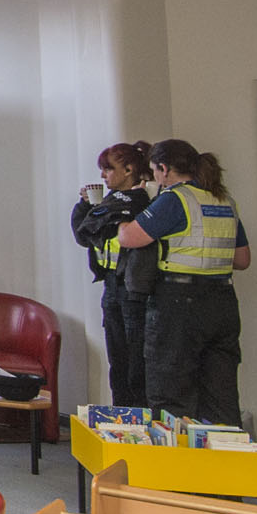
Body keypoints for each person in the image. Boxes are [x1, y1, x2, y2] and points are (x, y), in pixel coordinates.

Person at [118, 138, 250, 424]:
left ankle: (174, 466)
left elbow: (131, 238)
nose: (155, 177)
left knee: (171, 394)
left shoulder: (175, 199)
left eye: (154, 170)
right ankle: (223, 464)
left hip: (178, 305)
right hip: (223, 304)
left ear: (164, 169)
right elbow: (242, 260)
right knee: (221, 396)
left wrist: (122, 221)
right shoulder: (225, 200)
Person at [72, 141, 158, 407]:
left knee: (136, 364)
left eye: (108, 169)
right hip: (111, 285)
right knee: (118, 361)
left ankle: (138, 423)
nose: (103, 176)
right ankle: (121, 419)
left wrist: (99, 213)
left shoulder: (146, 198)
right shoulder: (110, 202)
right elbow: (85, 234)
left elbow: (96, 227)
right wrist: (85, 206)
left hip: (134, 288)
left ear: (130, 169)